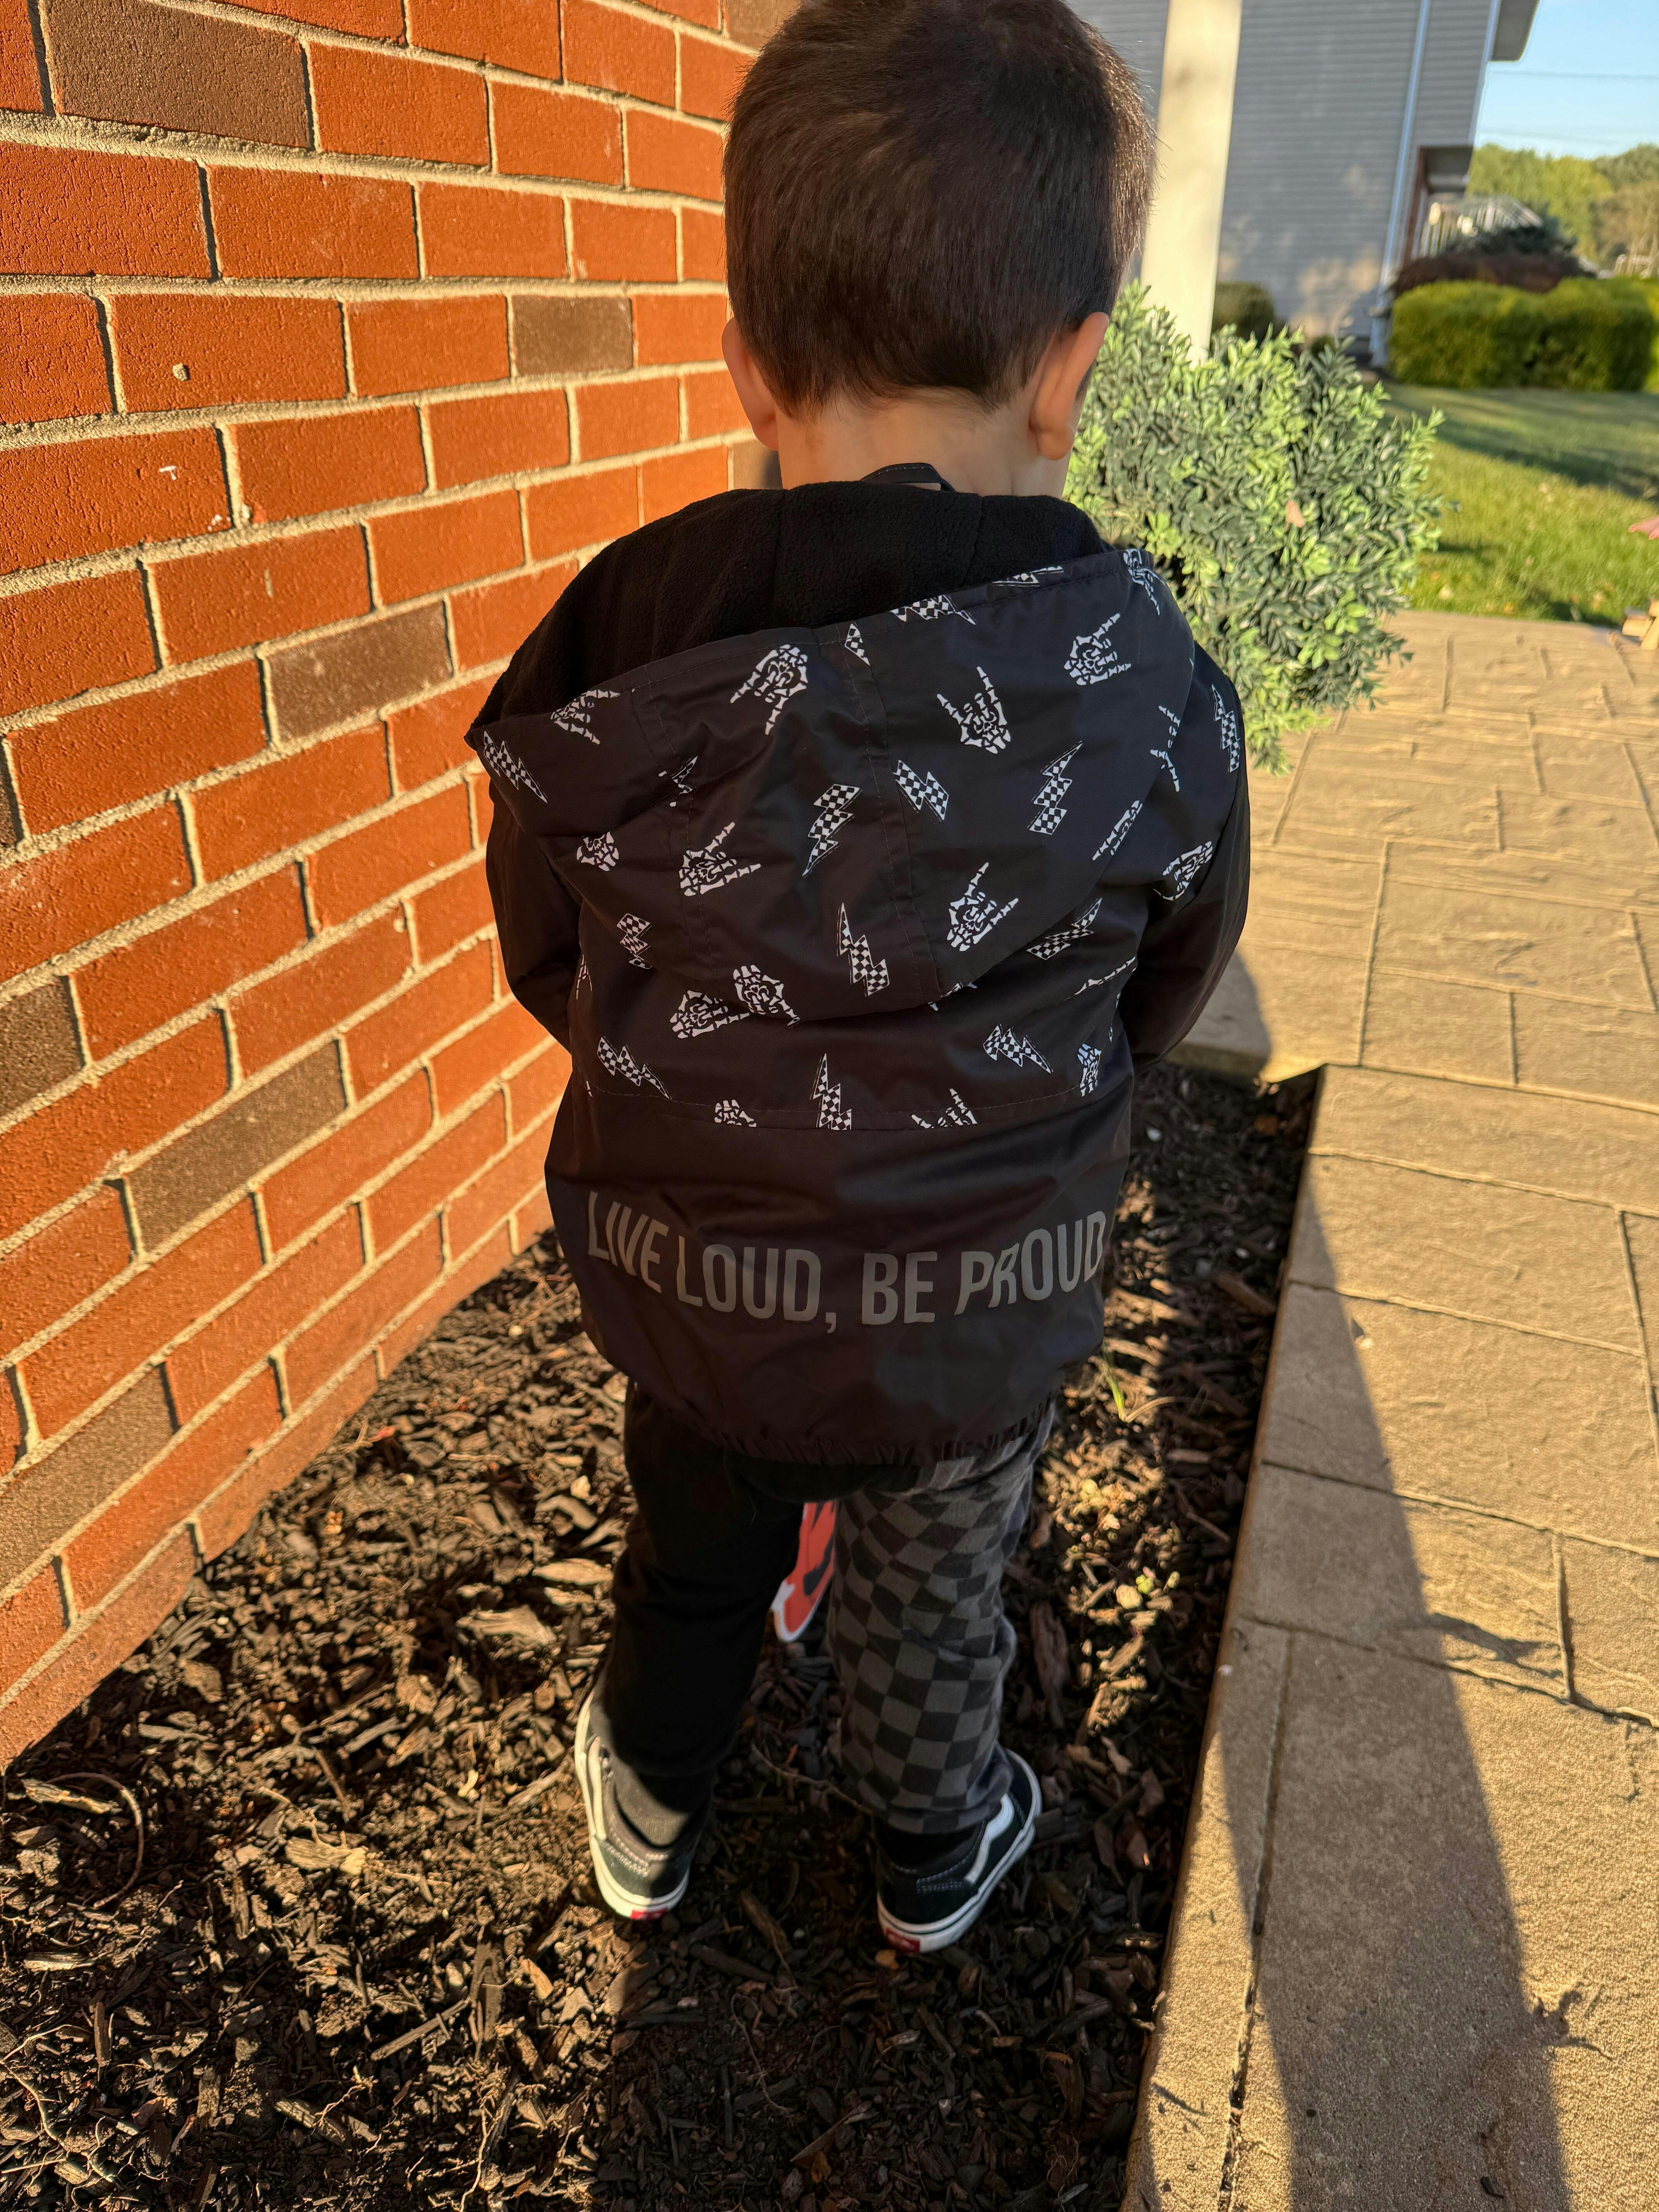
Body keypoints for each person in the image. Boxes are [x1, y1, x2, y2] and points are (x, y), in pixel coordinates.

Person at [468, 0, 1249, 1955]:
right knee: (937, 1592)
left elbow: (554, 943)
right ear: (1073, 372)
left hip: (696, 1283)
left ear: (746, 362)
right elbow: (1165, 981)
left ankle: (650, 1816)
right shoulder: (1147, 679)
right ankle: (928, 1854)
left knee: (692, 1560)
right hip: (979, 1299)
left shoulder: (628, 625)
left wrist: (707, 1097)